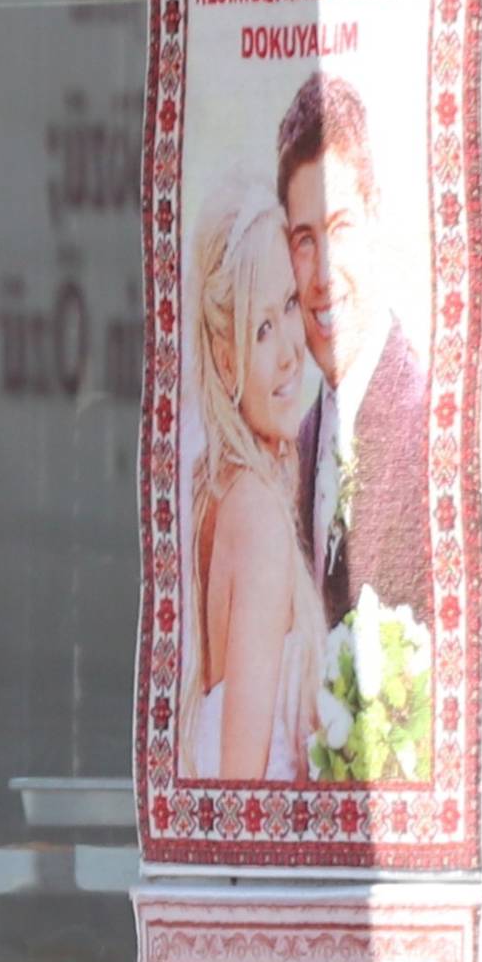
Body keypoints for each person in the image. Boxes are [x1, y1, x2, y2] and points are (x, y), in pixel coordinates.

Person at [276, 71, 432, 628]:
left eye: (339, 230)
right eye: (304, 240)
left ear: (376, 218)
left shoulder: (427, 425)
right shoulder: (293, 450)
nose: (321, 275)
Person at [187, 189, 330, 782]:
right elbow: (240, 801)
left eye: (291, 306)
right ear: (225, 359)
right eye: (262, 328)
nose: (291, 352)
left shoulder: (220, 491)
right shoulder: (258, 521)